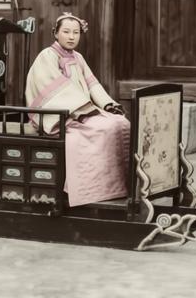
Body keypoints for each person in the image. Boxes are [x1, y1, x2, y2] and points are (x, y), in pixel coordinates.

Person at [25, 13, 129, 207]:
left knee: (121, 123)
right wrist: (79, 109)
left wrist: (108, 104)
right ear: (55, 33)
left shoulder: (78, 57)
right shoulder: (47, 56)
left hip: (83, 110)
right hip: (59, 114)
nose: (71, 37)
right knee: (100, 129)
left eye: (76, 32)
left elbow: (92, 84)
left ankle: (115, 186)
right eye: (66, 32)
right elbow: (50, 88)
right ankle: (89, 190)